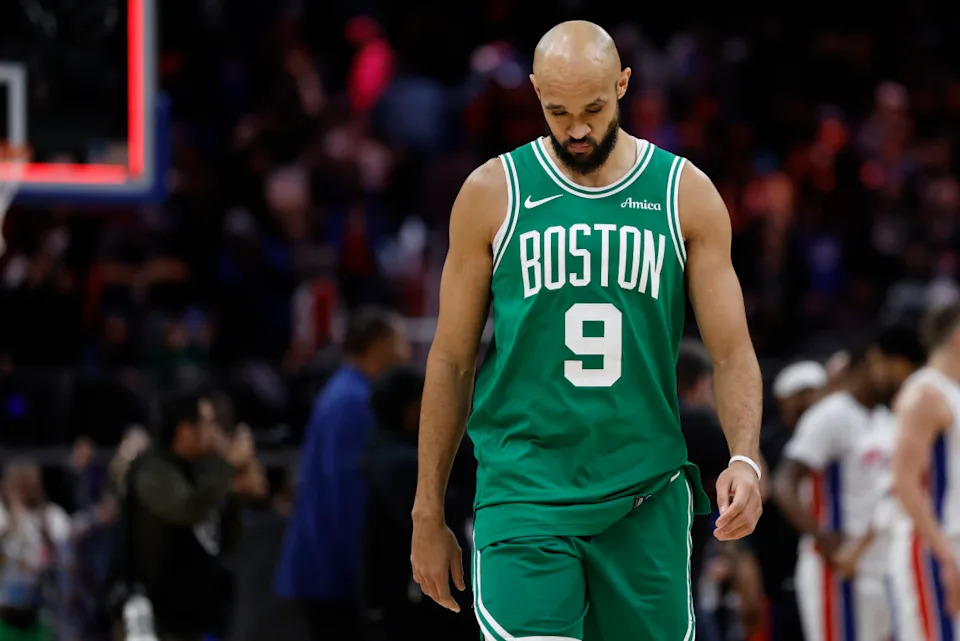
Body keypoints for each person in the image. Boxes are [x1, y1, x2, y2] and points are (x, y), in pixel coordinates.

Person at [410, 20, 764, 640]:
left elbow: (732, 351)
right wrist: (426, 510)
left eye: (594, 110)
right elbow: (451, 361)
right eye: (558, 111)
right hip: (524, 492)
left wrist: (744, 458)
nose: (576, 129)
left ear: (623, 84)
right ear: (535, 92)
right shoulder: (493, 193)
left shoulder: (684, 194)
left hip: (644, 494)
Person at [773, 325, 924, 641]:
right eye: (900, 370)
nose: (902, 381)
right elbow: (784, 483)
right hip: (839, 566)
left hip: (881, 563)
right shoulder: (830, 415)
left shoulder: (887, 418)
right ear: (874, 360)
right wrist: (822, 538)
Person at [274, 305, 410, 639]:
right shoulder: (354, 401)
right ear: (378, 344)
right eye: (399, 341)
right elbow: (348, 496)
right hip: (332, 571)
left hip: (325, 566)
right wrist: (366, 573)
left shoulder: (345, 390)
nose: (406, 352)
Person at [116, 391, 264, 641]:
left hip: (197, 612)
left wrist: (238, 491)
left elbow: (227, 535)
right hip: (152, 615)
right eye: (208, 423)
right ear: (185, 430)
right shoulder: (152, 468)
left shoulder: (206, 466)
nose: (215, 431)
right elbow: (186, 508)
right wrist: (228, 466)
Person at [360, 364, 476, 641]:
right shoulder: (401, 465)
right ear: (411, 409)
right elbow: (451, 513)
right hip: (412, 602)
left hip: (400, 598)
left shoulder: (380, 446)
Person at [676, 339, 763, 640]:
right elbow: (756, 484)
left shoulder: (648, 420)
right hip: (687, 555)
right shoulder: (701, 421)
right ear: (703, 382)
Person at [889, 303, 960, 640]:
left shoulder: (952, 393)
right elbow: (904, 482)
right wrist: (944, 556)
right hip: (935, 544)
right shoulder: (926, 395)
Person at [754, 359, 828, 641]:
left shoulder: (836, 436)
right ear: (783, 400)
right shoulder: (768, 443)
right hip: (779, 565)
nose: (809, 400)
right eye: (801, 394)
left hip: (826, 556)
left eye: (814, 392)